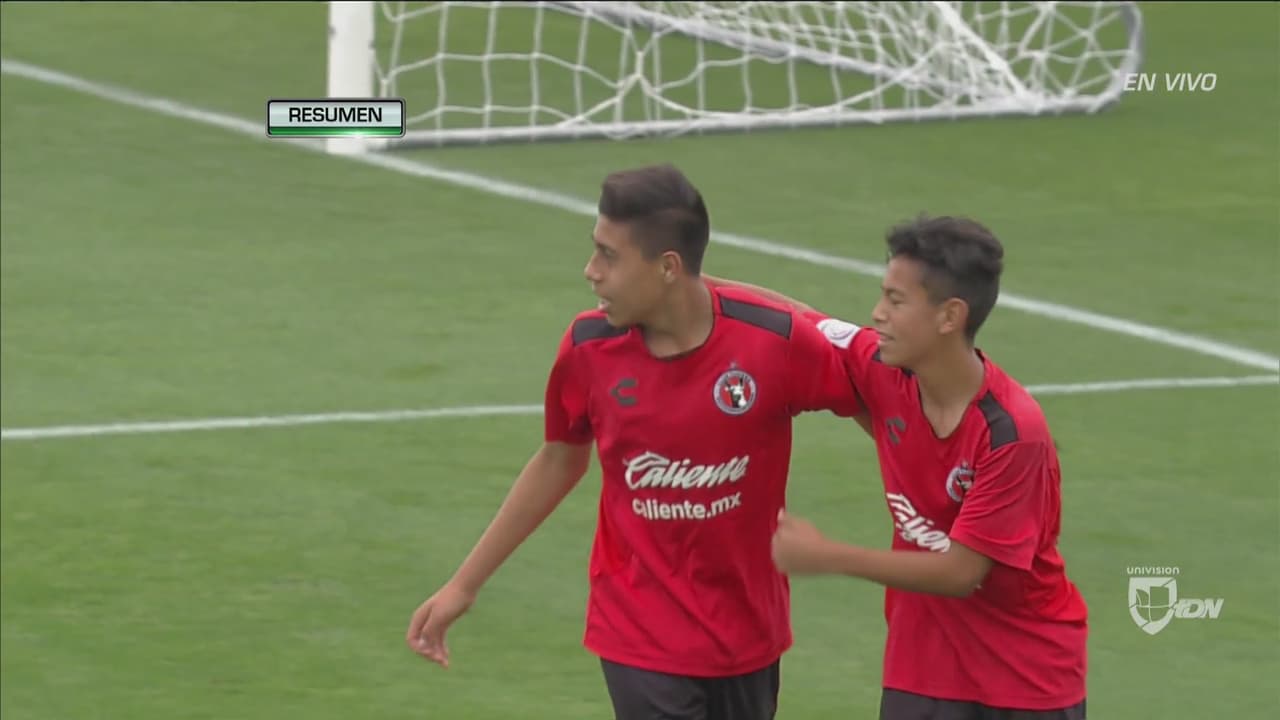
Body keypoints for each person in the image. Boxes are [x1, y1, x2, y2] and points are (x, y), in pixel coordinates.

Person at [406, 163, 865, 720]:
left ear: (668, 267)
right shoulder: (589, 349)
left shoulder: (773, 342)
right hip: (638, 629)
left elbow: (875, 396)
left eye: (609, 256)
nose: (591, 271)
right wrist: (464, 585)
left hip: (749, 631)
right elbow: (558, 460)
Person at [704, 215, 1089, 719]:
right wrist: (684, 289)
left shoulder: (1012, 433)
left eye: (896, 300)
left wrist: (829, 556)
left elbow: (961, 572)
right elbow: (796, 319)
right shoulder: (884, 371)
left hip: (1024, 684)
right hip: (921, 672)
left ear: (950, 316)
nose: (877, 313)